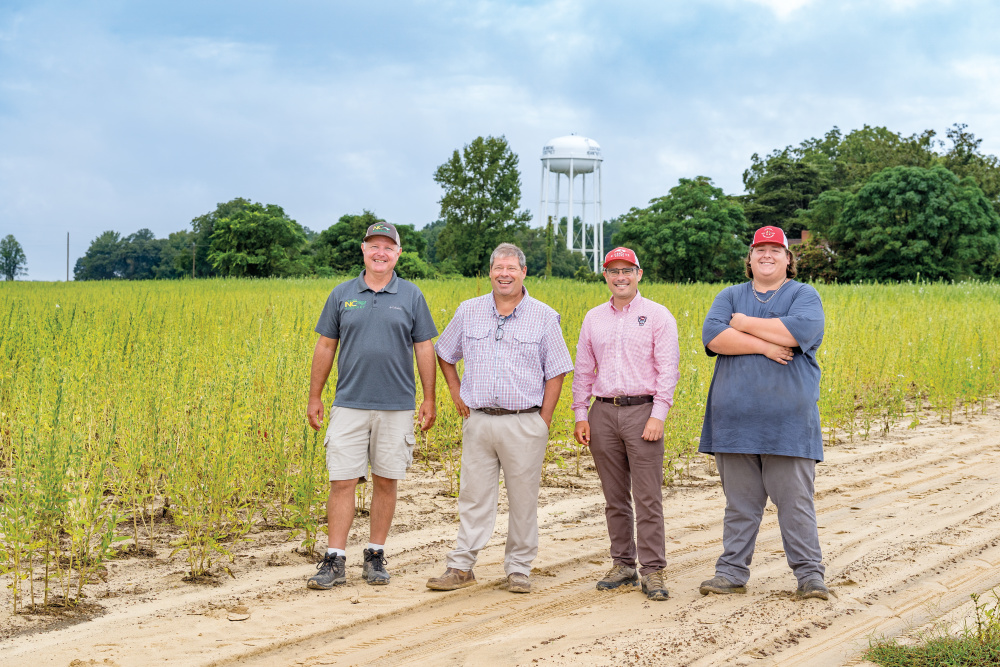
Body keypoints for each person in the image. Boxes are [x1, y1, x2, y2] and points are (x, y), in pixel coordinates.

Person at [426, 243, 573, 595]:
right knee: (473, 495)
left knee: (523, 498)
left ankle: (519, 568)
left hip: (524, 421)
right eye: (498, 268)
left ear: (523, 273)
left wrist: (543, 420)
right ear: (490, 272)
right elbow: (444, 352)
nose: (504, 274)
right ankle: (461, 565)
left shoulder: (543, 316)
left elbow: (557, 371)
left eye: (511, 268)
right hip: (478, 420)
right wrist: (455, 390)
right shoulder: (469, 311)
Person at [698, 225, 829, 600]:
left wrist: (742, 325)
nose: (766, 255)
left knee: (795, 504)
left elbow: (798, 331)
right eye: (759, 250)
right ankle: (731, 573)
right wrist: (765, 345)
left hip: (788, 424)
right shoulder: (730, 294)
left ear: (789, 258)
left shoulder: (803, 294)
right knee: (740, 506)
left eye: (775, 250)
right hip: (733, 424)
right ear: (750, 259)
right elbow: (713, 336)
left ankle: (810, 577)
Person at [306, 221, 438, 590]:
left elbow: (424, 347)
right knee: (342, 480)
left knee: (386, 479)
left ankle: (375, 554)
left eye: (388, 247)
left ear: (398, 253)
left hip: (396, 406)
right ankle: (334, 559)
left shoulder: (411, 296)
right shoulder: (342, 294)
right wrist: (315, 396)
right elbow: (326, 346)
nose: (380, 253)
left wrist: (429, 398)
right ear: (363, 250)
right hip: (349, 403)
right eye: (373, 246)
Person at [572, 247, 680, 601]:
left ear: (639, 273)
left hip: (642, 412)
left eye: (627, 270)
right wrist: (580, 413)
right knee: (614, 496)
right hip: (602, 412)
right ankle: (623, 563)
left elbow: (668, 370)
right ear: (605, 275)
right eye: (613, 271)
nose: (621, 277)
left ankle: (653, 570)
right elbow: (584, 370)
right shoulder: (594, 318)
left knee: (647, 496)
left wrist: (658, 415)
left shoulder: (657, 316)